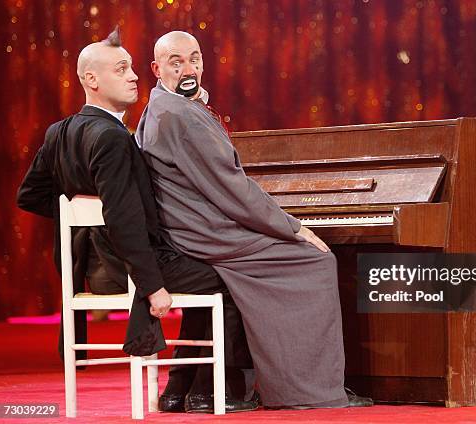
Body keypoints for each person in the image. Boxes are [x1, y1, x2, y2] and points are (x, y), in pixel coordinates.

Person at [16, 28, 256, 413]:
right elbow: (125, 221)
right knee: (234, 277)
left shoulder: (58, 131)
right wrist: (151, 285)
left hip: (96, 268)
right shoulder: (112, 138)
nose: (133, 77)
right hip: (129, 266)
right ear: (91, 80)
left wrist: (85, 215)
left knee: (206, 271)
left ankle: (180, 390)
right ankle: (210, 391)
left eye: (132, 68)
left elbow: (30, 195)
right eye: (121, 69)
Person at [135, 30, 373, 409]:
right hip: (206, 233)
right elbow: (235, 191)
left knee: (300, 258)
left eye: (194, 59)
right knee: (315, 261)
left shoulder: (164, 106)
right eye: (175, 62)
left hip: (193, 227)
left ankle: (209, 387)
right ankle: (312, 389)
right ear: (156, 67)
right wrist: (292, 226)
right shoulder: (181, 116)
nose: (187, 68)